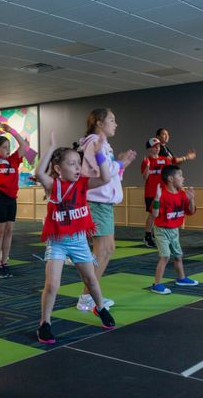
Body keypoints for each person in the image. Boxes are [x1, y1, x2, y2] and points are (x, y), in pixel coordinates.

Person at [35, 131, 116, 343]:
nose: (77, 167)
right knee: (52, 285)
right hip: (58, 242)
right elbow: (39, 173)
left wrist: (100, 155)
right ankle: (45, 322)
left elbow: (106, 178)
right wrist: (51, 147)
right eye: (71, 164)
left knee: (91, 279)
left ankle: (100, 308)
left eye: (78, 163)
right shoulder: (53, 185)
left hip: (79, 240)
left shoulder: (83, 184)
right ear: (58, 168)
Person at [77, 108, 136, 311]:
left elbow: (109, 175)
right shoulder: (95, 143)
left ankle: (90, 295)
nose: (116, 123)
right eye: (112, 119)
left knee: (108, 250)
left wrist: (122, 164)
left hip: (104, 204)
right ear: (99, 122)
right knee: (101, 250)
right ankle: (87, 297)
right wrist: (120, 163)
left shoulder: (103, 144)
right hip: (97, 203)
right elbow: (102, 174)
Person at [0, 121, 28, 278]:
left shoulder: (14, 160)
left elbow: (23, 146)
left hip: (11, 199)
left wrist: (11, 130)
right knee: (0, 232)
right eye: (4, 148)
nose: (8, 151)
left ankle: (5, 261)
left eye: (8, 148)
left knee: (9, 231)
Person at [150, 165, 198, 294]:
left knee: (178, 256)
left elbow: (191, 212)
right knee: (165, 256)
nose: (183, 178)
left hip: (174, 230)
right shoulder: (163, 195)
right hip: (161, 230)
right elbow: (154, 214)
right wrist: (156, 199)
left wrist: (192, 199)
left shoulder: (182, 194)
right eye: (180, 175)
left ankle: (181, 278)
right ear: (171, 178)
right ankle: (156, 284)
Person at [141, 137, 196, 247]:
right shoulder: (146, 161)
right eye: (154, 147)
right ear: (149, 149)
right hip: (151, 193)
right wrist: (147, 166)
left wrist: (187, 157)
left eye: (158, 146)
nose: (157, 148)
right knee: (152, 214)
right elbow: (145, 177)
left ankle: (160, 235)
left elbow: (175, 165)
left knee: (163, 214)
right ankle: (148, 236)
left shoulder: (165, 160)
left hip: (164, 193)